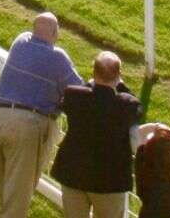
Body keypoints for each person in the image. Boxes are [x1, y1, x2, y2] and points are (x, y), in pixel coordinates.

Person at [0, 13, 87, 218]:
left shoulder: (20, 41)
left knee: (6, 183)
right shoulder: (58, 57)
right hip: (23, 127)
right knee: (17, 195)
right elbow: (80, 91)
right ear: (55, 32)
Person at [50, 51, 144, 217]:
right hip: (108, 183)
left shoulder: (73, 95)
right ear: (118, 75)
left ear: (93, 72)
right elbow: (136, 107)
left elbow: (79, 97)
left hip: (73, 175)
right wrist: (120, 85)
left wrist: (93, 83)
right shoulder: (127, 105)